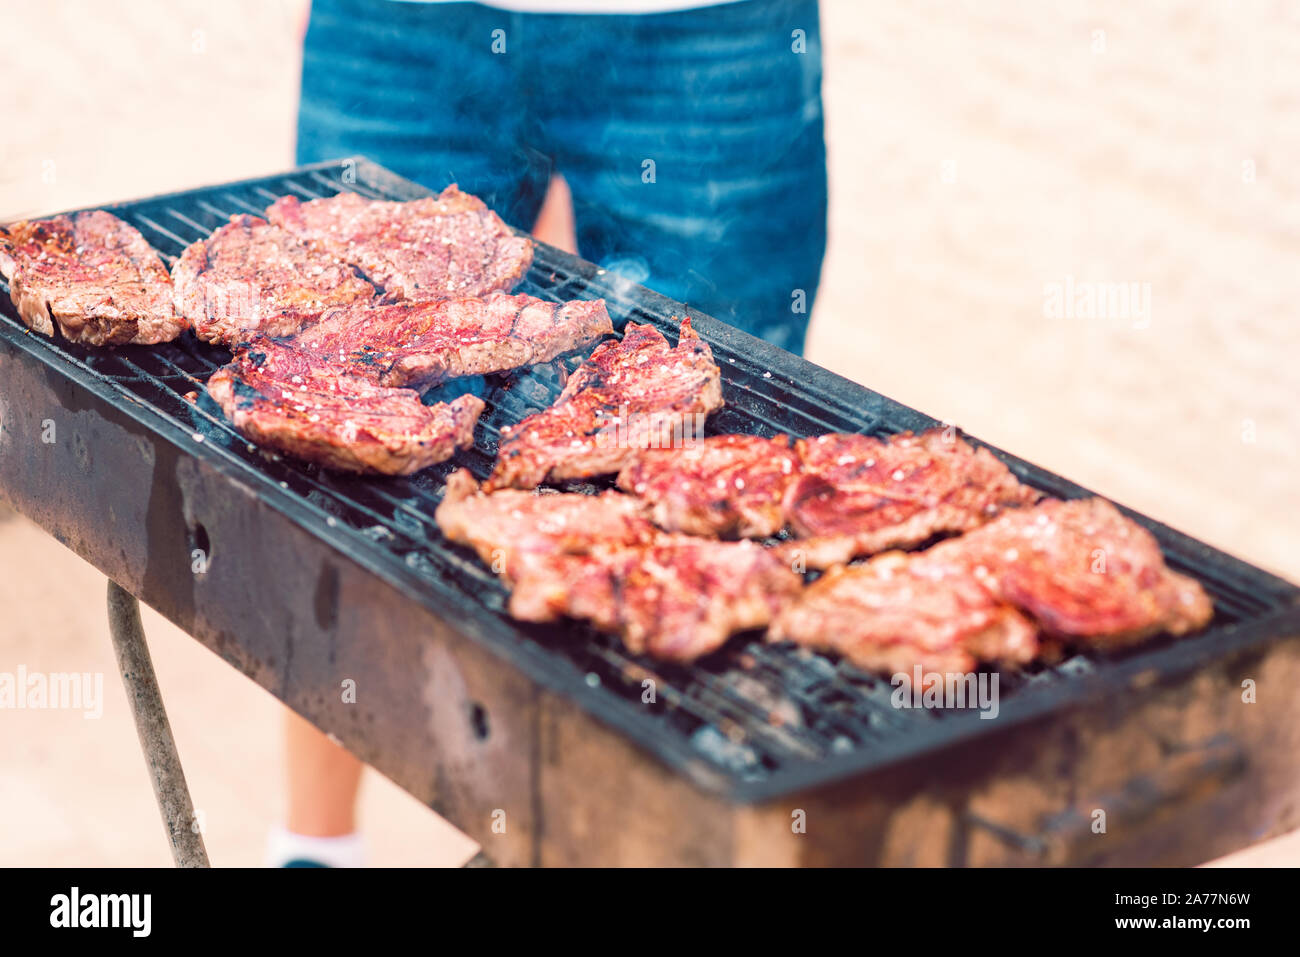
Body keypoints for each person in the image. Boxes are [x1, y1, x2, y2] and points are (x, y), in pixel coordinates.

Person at [269, 0, 827, 868]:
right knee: (332, 428)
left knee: (709, 491)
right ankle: (312, 848)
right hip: (397, 23)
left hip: (712, 34)